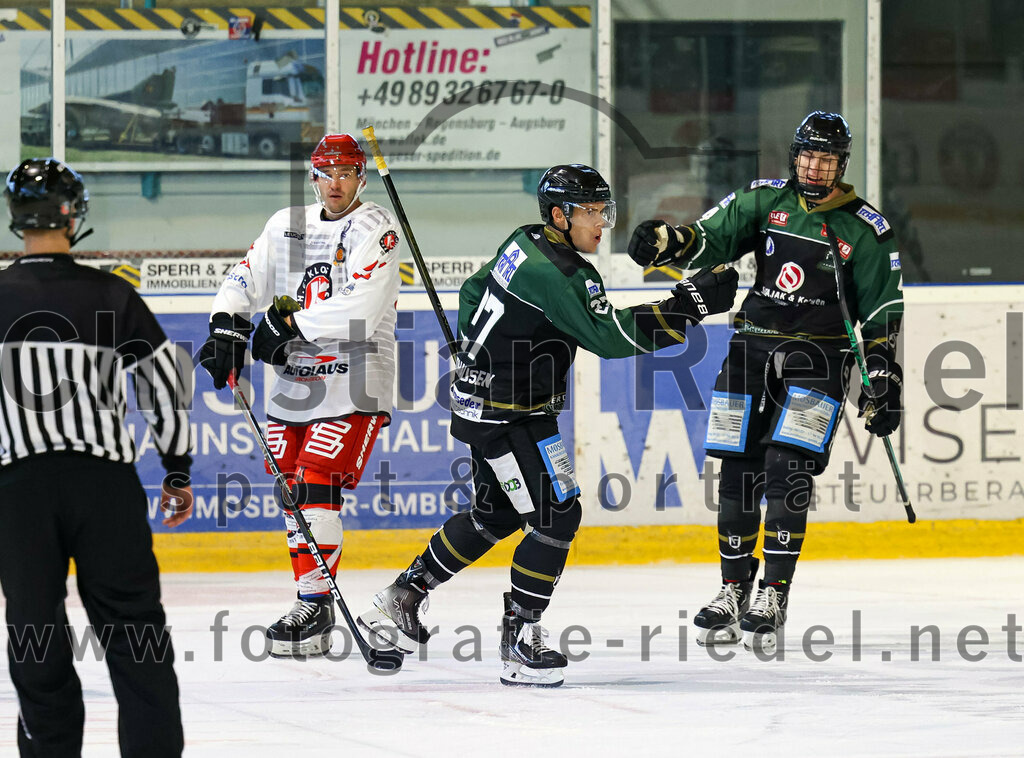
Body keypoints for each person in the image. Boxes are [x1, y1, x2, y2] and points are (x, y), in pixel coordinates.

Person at [358, 164, 739, 687]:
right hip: (511, 413)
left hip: (483, 403)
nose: (601, 223)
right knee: (557, 514)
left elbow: (472, 290)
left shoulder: (523, 242)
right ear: (559, 215)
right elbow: (610, 337)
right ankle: (520, 640)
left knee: (494, 515)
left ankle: (403, 595)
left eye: (604, 210)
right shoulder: (563, 274)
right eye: (591, 212)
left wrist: (474, 350)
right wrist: (687, 306)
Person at [626, 111, 905, 653]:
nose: (815, 168)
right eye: (809, 156)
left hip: (820, 357)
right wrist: (667, 240)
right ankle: (733, 589)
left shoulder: (867, 229)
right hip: (750, 348)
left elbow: (880, 316)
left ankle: (773, 594)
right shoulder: (765, 199)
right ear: (795, 156)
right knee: (736, 468)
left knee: (787, 467)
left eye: (827, 159)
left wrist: (883, 379)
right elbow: (709, 238)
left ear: (843, 164)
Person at [0, 158, 194, 756]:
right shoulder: (112, 294)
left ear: (16, 219)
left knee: (35, 631)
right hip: (104, 486)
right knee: (136, 632)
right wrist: (177, 469)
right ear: (73, 216)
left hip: (18, 490)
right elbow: (166, 385)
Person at [199, 133, 402, 658]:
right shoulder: (285, 224)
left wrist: (289, 326)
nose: (336, 183)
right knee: (292, 493)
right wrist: (226, 325)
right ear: (313, 177)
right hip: (293, 382)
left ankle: (314, 606)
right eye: (326, 173)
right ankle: (312, 602)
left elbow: (362, 309)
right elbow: (245, 276)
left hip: (355, 377)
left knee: (316, 485)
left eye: (346, 173)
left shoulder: (377, 227)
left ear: (361, 177)